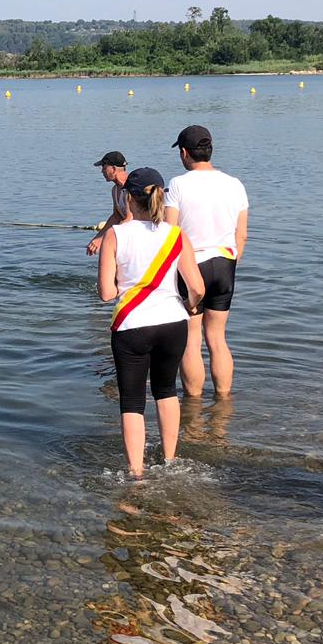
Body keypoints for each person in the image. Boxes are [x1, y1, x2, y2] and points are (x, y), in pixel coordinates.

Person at [98, 167, 205, 477]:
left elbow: (106, 293)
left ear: (128, 200)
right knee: (166, 391)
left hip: (132, 326)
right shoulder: (176, 235)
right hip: (174, 323)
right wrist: (187, 305)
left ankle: (136, 472)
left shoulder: (116, 235)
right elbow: (197, 287)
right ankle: (171, 461)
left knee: (132, 400)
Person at [163, 124, 248, 398]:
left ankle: (193, 407)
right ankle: (224, 401)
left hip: (191, 267)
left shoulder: (177, 184)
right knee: (217, 339)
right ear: (209, 150)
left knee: (191, 340)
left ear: (184, 153)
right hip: (225, 264)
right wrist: (231, 265)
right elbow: (242, 236)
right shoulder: (234, 184)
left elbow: (170, 232)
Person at [86, 151, 130, 256]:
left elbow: (130, 218)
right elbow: (116, 217)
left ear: (114, 169)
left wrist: (106, 238)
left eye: (104, 167)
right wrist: (98, 237)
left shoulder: (132, 187)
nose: (102, 171)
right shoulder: (114, 190)